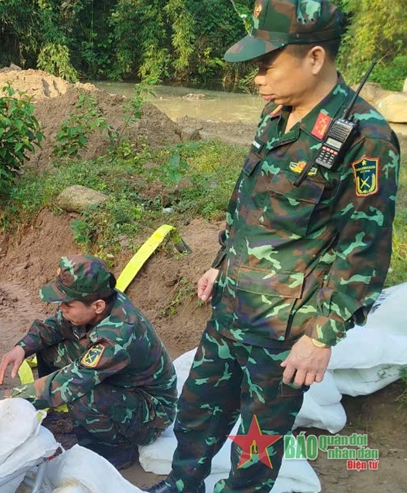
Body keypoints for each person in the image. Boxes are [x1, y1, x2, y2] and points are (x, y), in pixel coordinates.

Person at [146, 1, 400, 492]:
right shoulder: (275, 114)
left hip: (285, 331)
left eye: (267, 64)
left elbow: (364, 250)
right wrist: (221, 263)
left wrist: (321, 336)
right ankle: (182, 486)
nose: (257, 77)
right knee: (197, 415)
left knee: (256, 444)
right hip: (231, 308)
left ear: (314, 58)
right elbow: (248, 198)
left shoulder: (365, 138)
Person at [0, 255, 178, 470]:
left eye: (68, 304)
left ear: (97, 306)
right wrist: (22, 347)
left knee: (83, 395)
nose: (61, 309)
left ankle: (115, 452)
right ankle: (54, 412)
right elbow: (53, 327)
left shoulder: (117, 336)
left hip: (151, 411)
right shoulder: (99, 302)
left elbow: (66, 384)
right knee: (48, 348)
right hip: (123, 383)